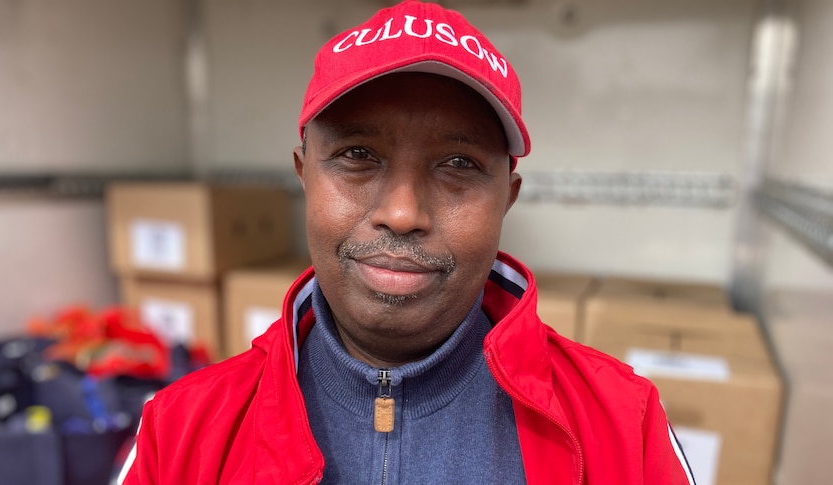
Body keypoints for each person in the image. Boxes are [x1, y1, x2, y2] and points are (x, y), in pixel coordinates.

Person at [119, 1, 695, 483]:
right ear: (304, 175)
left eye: (459, 163)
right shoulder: (178, 432)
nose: (402, 213)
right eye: (357, 156)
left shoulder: (624, 425)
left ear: (508, 198)